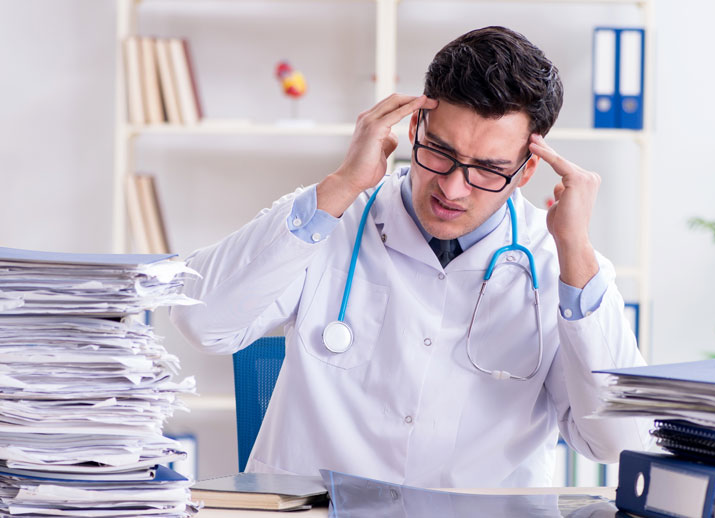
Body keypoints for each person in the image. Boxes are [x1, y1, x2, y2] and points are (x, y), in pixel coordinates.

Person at [170, 26, 650, 488]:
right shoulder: (332, 216)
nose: (452, 187)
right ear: (415, 126)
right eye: (440, 152)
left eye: (488, 169)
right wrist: (341, 184)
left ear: (526, 172)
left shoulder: (560, 265)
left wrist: (575, 251)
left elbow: (616, 442)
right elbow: (203, 322)